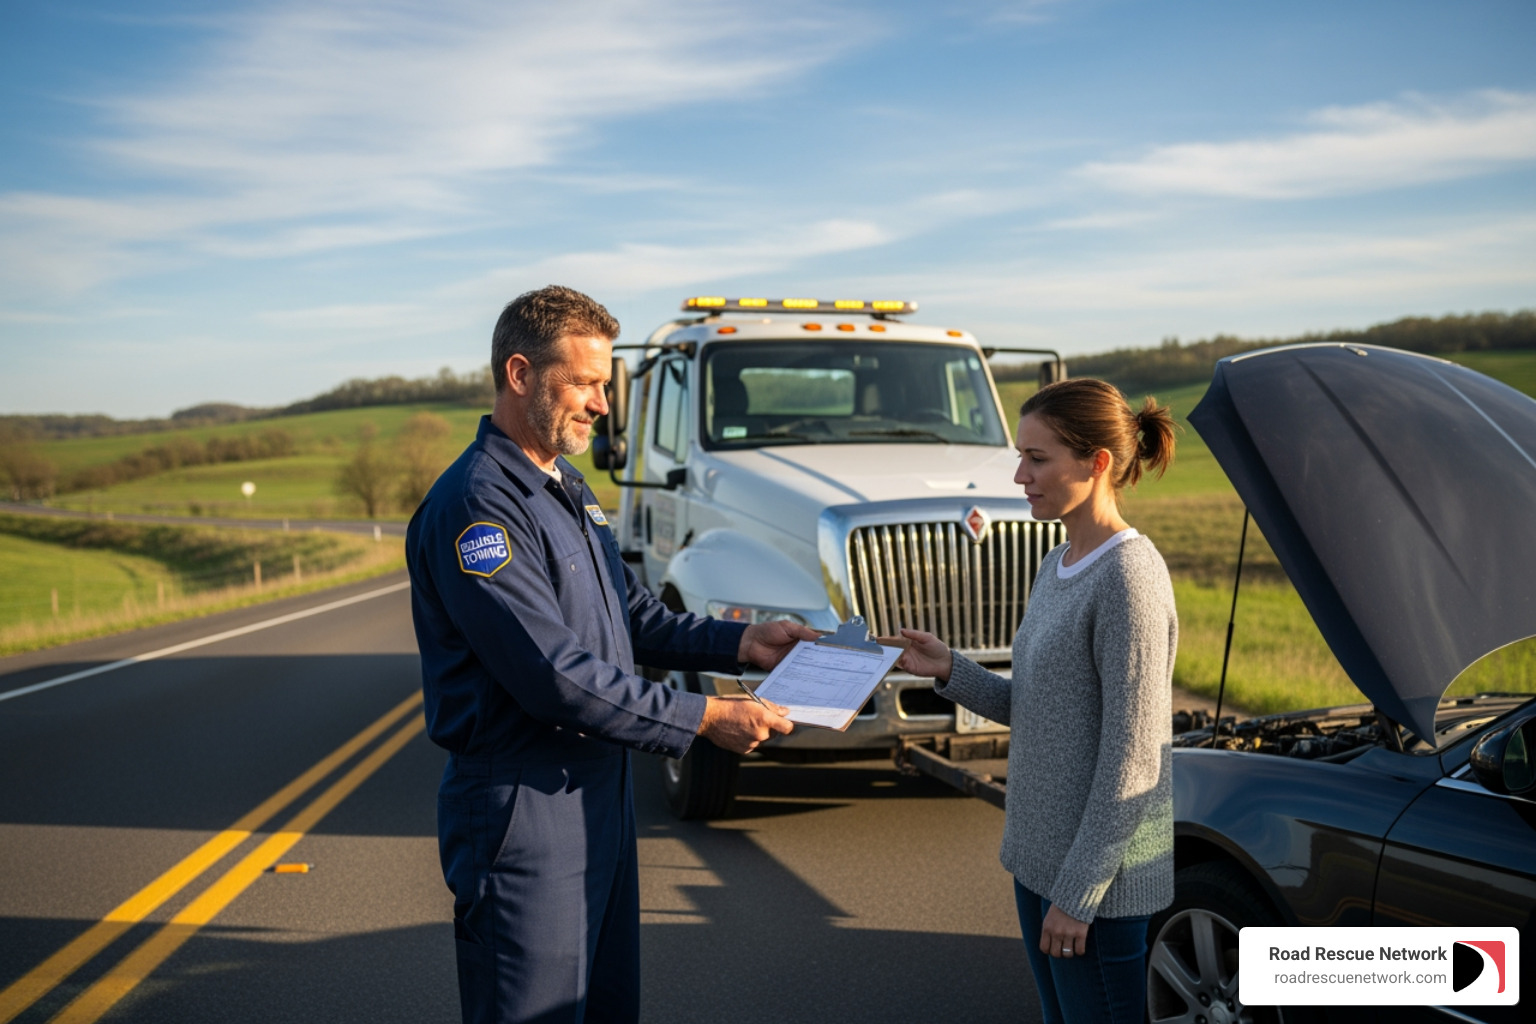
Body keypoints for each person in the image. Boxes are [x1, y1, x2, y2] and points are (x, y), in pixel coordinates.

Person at [406, 285, 811, 1024]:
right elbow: (554, 676)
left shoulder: (564, 486)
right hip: (524, 806)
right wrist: (702, 717)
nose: (601, 404)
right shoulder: (478, 507)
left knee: (606, 1007)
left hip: (598, 794)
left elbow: (634, 617)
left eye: (606, 384)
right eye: (585, 383)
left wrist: (744, 642)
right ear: (521, 374)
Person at [897, 378, 1178, 1024]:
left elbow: (1133, 762)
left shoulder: (1130, 577)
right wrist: (952, 670)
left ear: (1097, 462)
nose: (1020, 474)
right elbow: (1044, 709)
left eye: (1037, 458)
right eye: (1020, 457)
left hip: (1098, 890)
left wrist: (1078, 897)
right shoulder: (1057, 562)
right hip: (1038, 862)